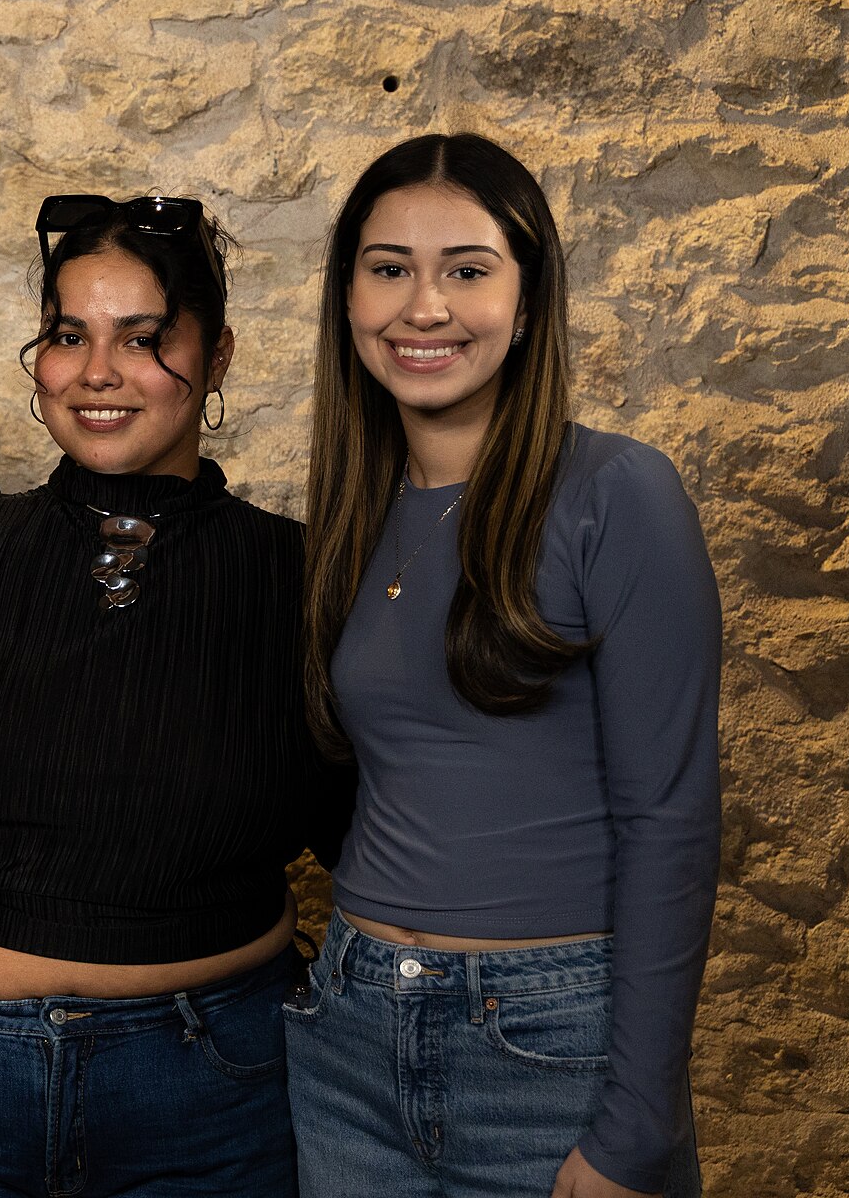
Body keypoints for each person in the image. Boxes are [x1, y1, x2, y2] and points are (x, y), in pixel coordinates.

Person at [0, 194, 351, 1197]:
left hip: (207, 1096)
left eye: (143, 339)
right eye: (68, 334)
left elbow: (378, 838)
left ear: (217, 356)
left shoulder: (299, 582)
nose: (97, 371)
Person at [290, 133, 720, 1198]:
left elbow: (671, 818)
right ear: (349, 301)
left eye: (467, 270)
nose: (422, 306)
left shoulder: (619, 491)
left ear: (527, 304)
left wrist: (637, 1121)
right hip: (350, 1031)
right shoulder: (355, 514)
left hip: (545, 1043)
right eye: (388, 268)